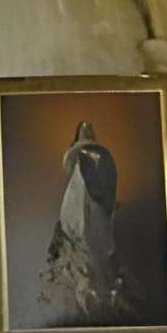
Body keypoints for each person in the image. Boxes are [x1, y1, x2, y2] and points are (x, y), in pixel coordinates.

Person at [43, 117, 122, 319]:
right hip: (79, 220)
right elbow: (76, 197)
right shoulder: (79, 170)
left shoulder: (99, 161)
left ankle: (103, 294)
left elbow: (105, 187)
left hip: (97, 216)